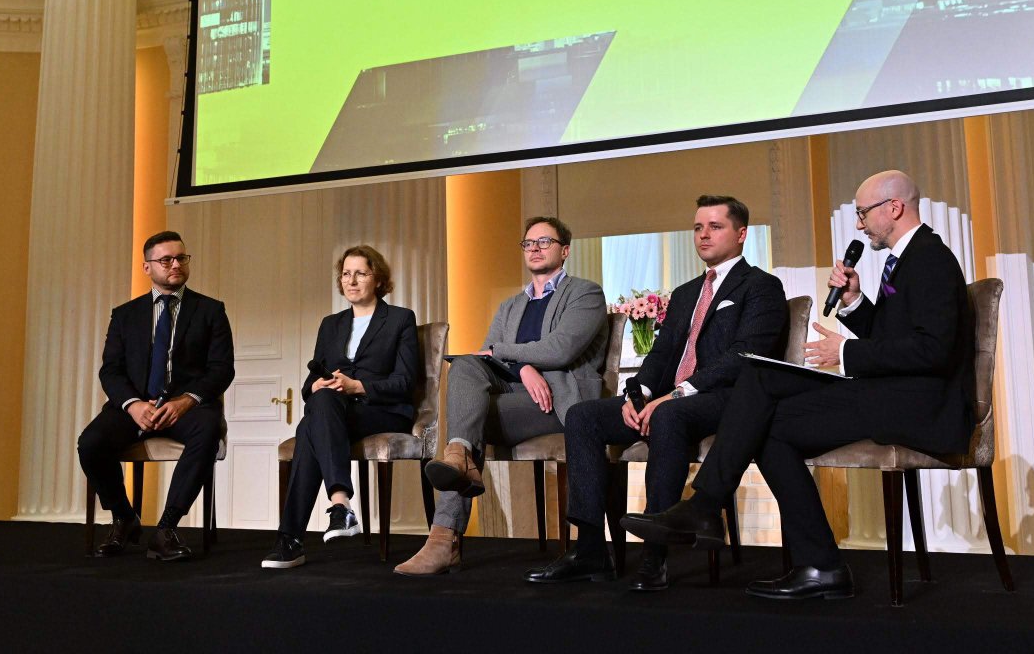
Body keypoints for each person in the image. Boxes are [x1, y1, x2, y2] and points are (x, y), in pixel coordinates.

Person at [621, 170, 974, 600]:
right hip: (889, 393)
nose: (859, 224)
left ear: (894, 208)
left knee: (762, 388)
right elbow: (892, 337)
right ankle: (821, 566)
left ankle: (707, 506)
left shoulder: (930, 258)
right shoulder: (907, 258)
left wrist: (846, 352)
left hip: (921, 405)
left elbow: (934, 350)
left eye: (863, 213)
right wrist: (855, 303)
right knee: (766, 414)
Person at [529, 195, 786, 591]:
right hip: (667, 399)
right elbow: (662, 355)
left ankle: (654, 555)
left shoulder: (761, 286)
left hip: (725, 400)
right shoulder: (685, 293)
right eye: (698, 227)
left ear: (741, 234)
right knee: (582, 416)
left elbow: (744, 357)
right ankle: (590, 551)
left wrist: (674, 396)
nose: (703, 235)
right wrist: (640, 395)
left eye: (715, 227)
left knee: (669, 414)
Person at [394, 217, 606, 576]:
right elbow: (484, 358)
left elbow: (560, 350)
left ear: (565, 251)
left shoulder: (585, 293)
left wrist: (508, 355)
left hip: (558, 400)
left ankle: (444, 539)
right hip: (514, 391)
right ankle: (459, 457)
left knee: (466, 414)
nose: (535, 248)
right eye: (528, 243)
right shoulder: (510, 305)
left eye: (544, 242)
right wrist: (523, 368)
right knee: (464, 365)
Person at [78, 230, 235, 562]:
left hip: (187, 408)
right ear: (147, 267)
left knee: (207, 430)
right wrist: (133, 406)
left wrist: (185, 401)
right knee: (90, 443)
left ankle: (166, 528)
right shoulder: (125, 315)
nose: (176, 264)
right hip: (135, 407)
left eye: (181, 258)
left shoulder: (210, 311)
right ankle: (124, 517)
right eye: (166, 260)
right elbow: (111, 370)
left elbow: (222, 369)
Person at [264, 245, 419, 569]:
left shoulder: (400, 319)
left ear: (378, 279)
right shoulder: (330, 324)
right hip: (336, 410)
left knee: (310, 426)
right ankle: (340, 507)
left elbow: (405, 382)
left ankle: (292, 538)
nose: (351, 280)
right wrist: (315, 386)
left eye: (360, 273)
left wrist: (357, 386)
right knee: (319, 405)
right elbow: (311, 380)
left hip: (381, 410)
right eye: (346, 274)